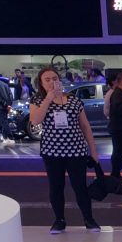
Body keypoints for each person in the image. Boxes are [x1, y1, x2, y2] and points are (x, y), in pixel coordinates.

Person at [28, 67, 100, 233]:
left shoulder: (73, 99)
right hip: (52, 151)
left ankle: (89, 219)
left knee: (80, 186)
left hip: (76, 151)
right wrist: (48, 98)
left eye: (54, 78)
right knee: (56, 186)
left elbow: (85, 126)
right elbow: (35, 120)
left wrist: (93, 151)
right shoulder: (38, 100)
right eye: (47, 80)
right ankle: (59, 220)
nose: (52, 82)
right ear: (41, 83)